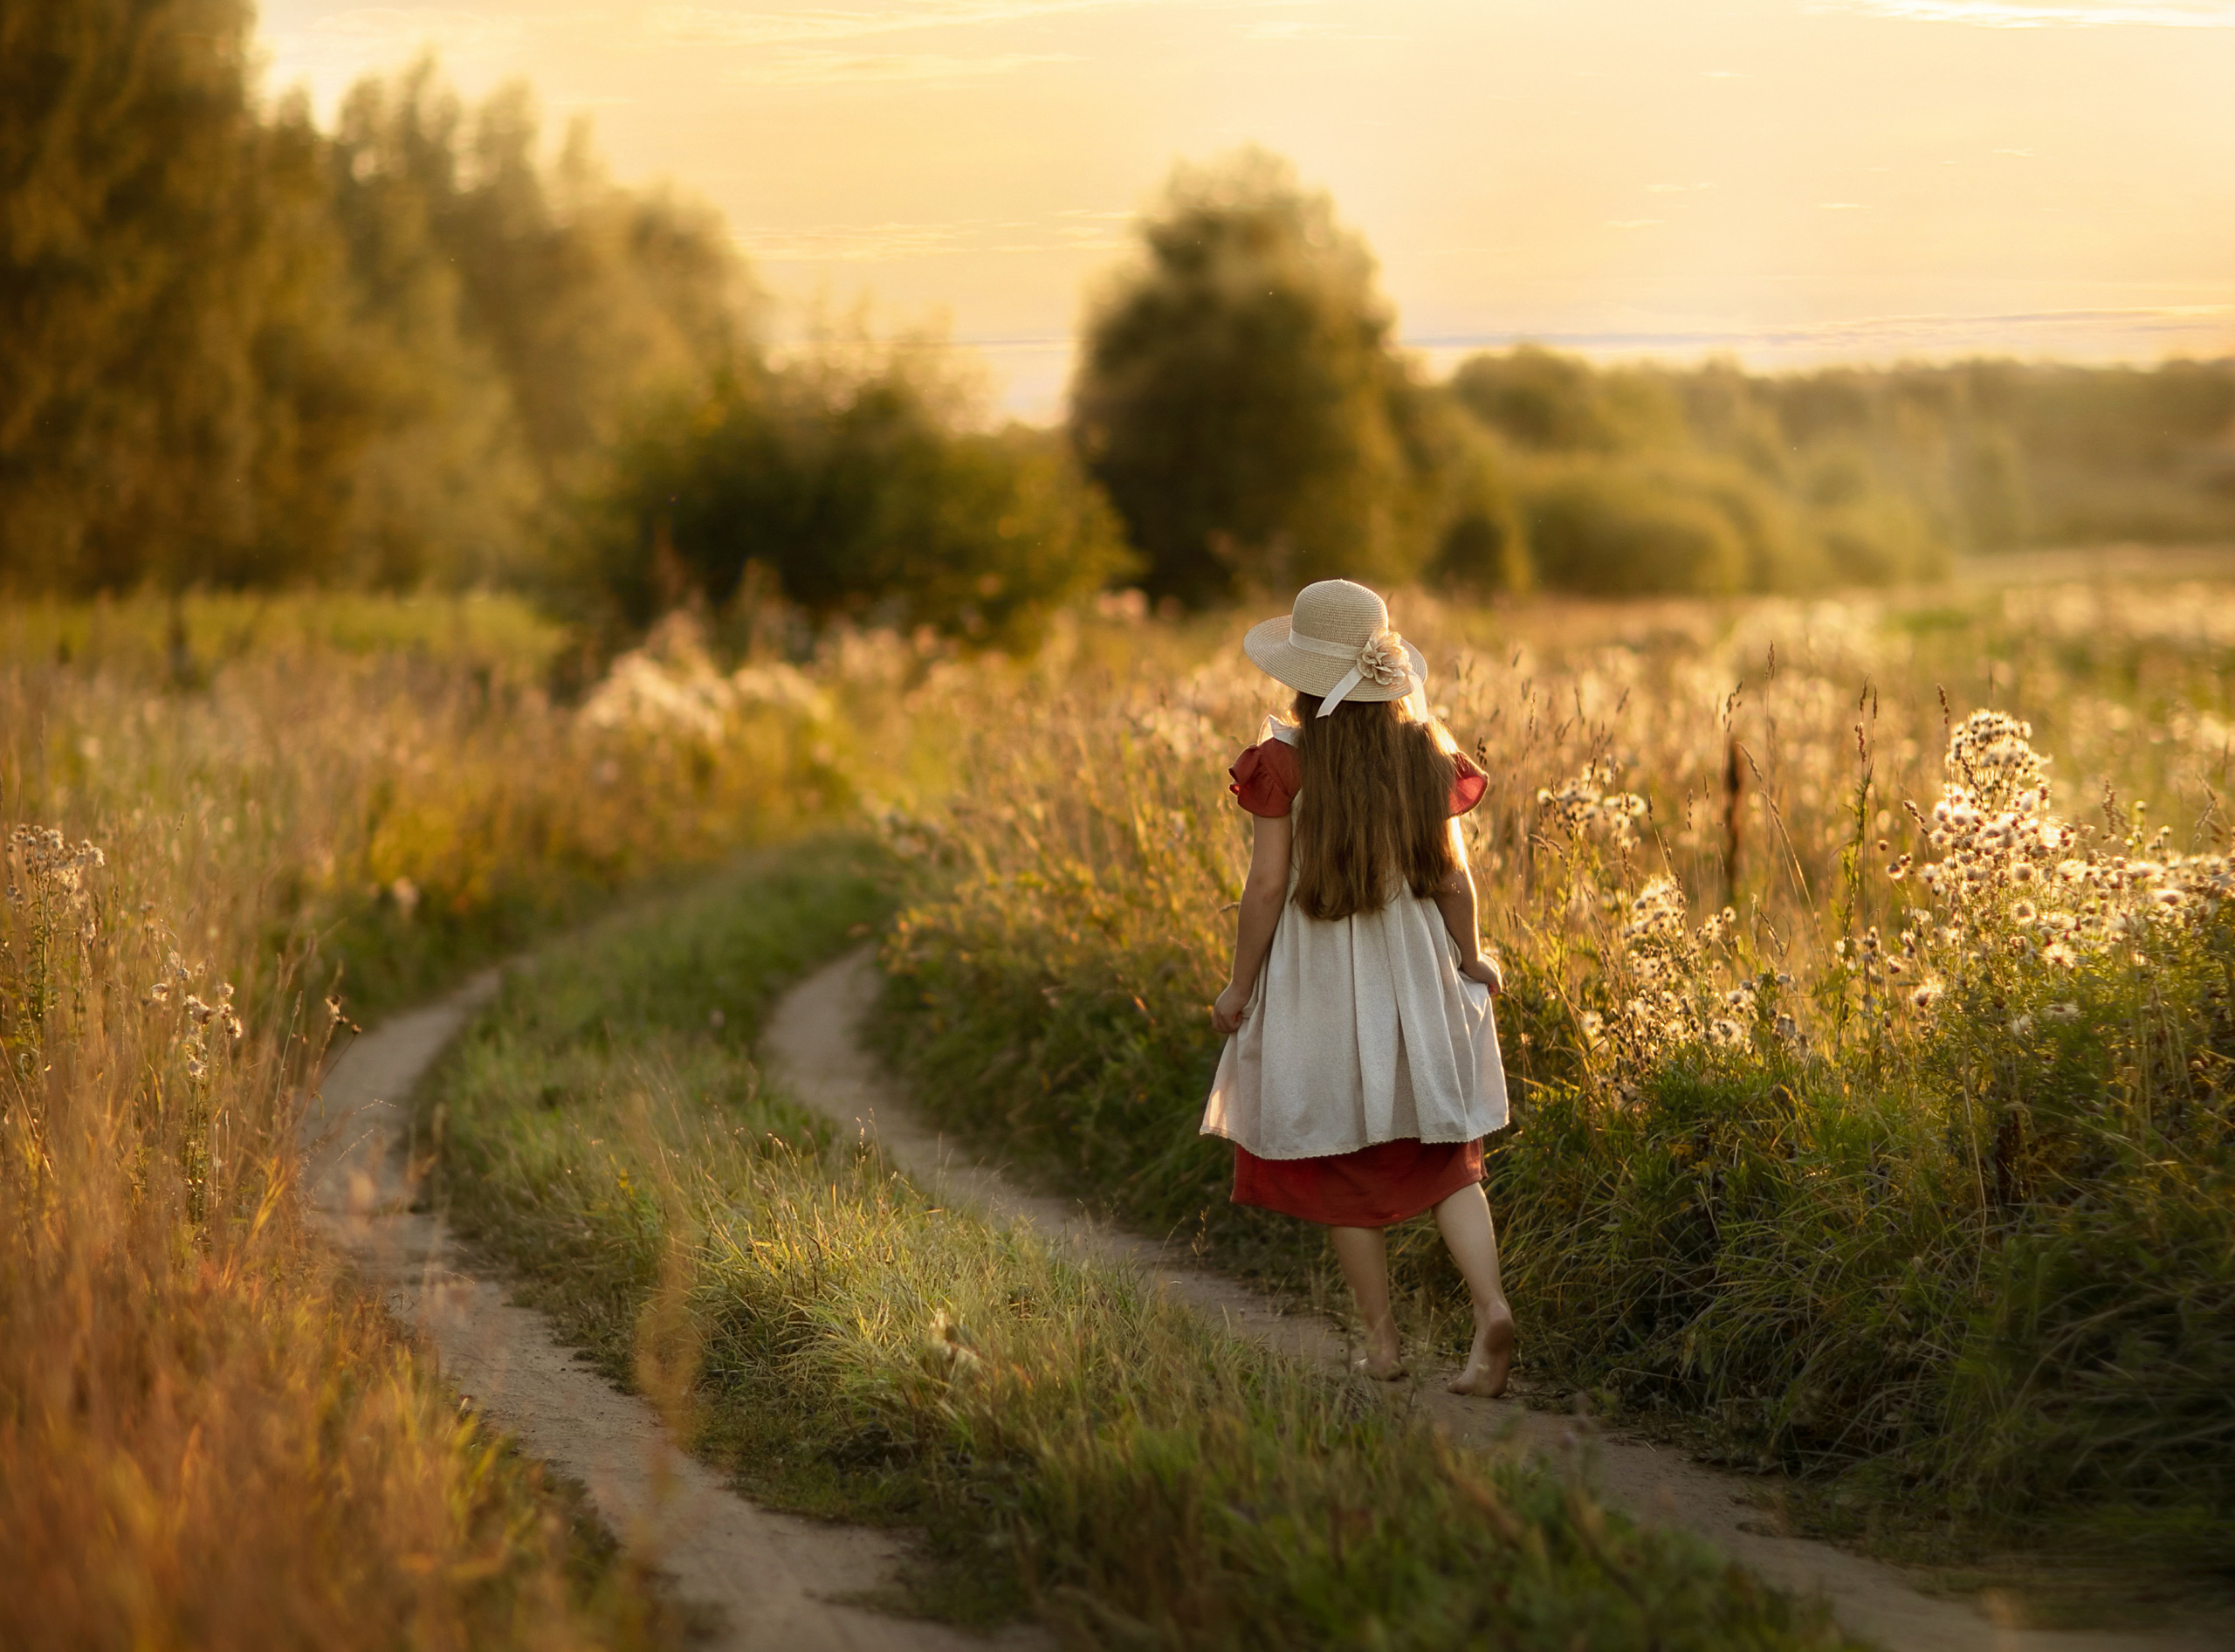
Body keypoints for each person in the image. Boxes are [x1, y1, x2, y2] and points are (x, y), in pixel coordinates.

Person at [1201, 578, 1516, 1396]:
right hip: (1414, 969)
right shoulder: (1424, 755)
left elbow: (1267, 887)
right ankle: (1490, 1311)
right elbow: (1452, 880)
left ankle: (1382, 1346)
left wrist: (1239, 987)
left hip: (1319, 979)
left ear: (1302, 675)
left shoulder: (1282, 763)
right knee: (1451, 1156)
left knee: (1340, 1155)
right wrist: (1472, 957)